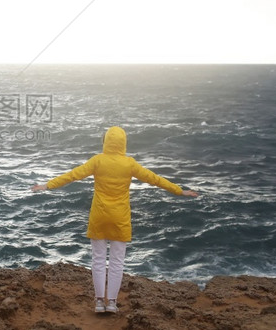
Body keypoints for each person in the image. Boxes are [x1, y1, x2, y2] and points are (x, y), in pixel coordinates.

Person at [31, 126, 198, 314]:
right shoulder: (129, 164)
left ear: (106, 141)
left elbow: (72, 175)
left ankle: (99, 302)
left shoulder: (97, 161)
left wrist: (46, 185)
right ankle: (111, 302)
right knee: (117, 262)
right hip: (120, 218)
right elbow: (155, 179)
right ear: (123, 143)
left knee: (98, 260)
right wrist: (180, 191)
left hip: (99, 216)